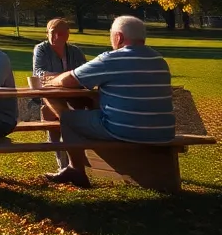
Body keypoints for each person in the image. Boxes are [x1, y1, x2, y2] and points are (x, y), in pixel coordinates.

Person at [41, 15, 174, 188]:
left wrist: (50, 82)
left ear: (118, 37)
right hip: (163, 131)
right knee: (90, 110)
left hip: (126, 130)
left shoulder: (112, 59)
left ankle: (76, 169)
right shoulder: (159, 60)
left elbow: (69, 80)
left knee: (69, 119)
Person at [32, 17, 89, 172]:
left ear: (67, 35)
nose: (57, 36)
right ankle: (62, 159)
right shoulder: (41, 49)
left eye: (62, 33)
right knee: (53, 112)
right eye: (53, 32)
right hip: (51, 94)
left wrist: (61, 77)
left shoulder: (75, 51)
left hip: (74, 95)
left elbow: (85, 73)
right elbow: (40, 73)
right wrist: (68, 77)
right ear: (47, 33)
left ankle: (78, 155)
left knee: (83, 110)